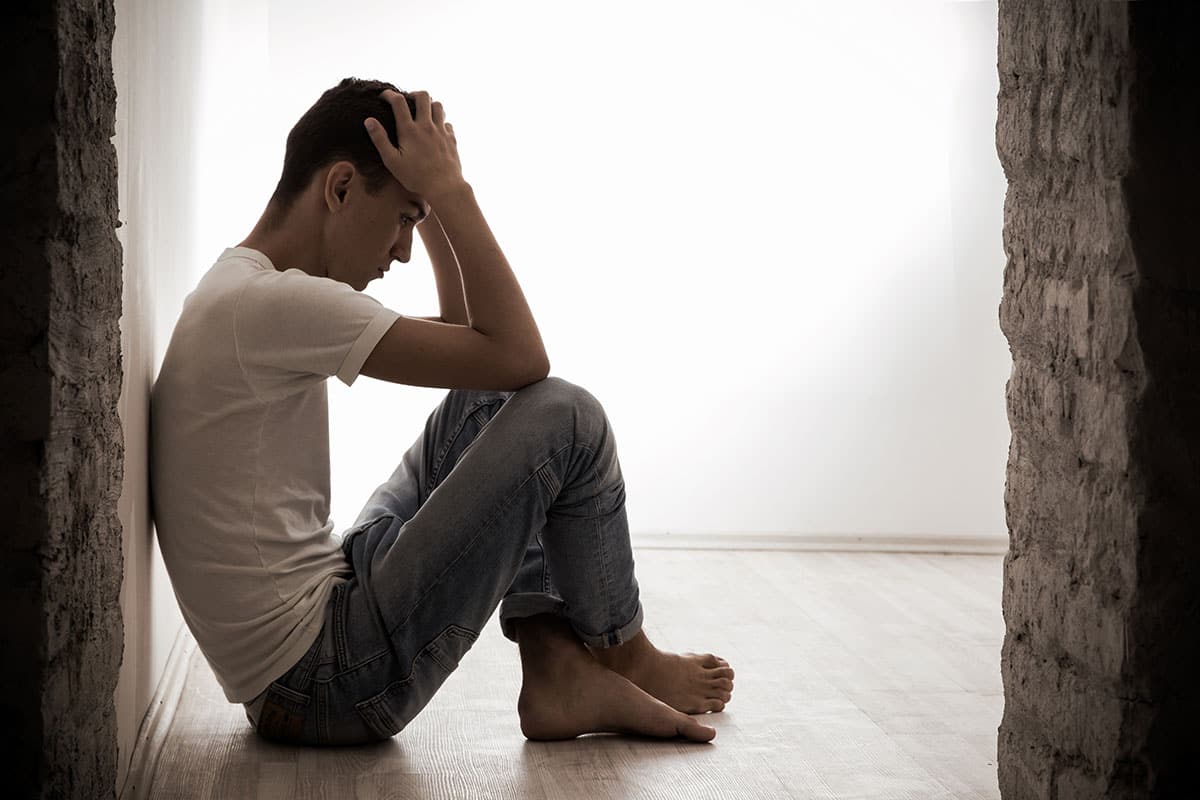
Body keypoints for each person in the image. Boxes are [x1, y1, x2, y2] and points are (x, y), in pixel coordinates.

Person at [149, 77, 734, 747]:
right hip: (327, 680)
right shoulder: (275, 305)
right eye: (401, 219)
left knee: (485, 400)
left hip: (318, 642)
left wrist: (425, 196)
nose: (402, 250)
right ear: (340, 188)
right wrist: (454, 194)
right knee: (567, 417)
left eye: (414, 225)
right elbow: (520, 356)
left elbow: (467, 339)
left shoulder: (244, 290)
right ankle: (623, 653)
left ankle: (554, 668)